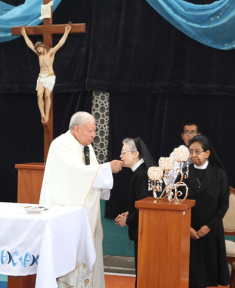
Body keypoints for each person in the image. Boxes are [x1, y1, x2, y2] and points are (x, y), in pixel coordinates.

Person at [39, 111, 124, 288]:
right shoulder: (60, 145)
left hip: (84, 213)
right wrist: (106, 167)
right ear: (77, 129)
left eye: (95, 131)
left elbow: (90, 176)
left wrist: (103, 170)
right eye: (90, 131)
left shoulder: (86, 147)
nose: (94, 135)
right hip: (66, 214)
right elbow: (76, 174)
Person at [185, 135, 230, 288]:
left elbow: (223, 204)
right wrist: (186, 227)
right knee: (189, 276)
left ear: (207, 153)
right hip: (188, 231)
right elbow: (178, 203)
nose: (193, 155)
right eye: (190, 151)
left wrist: (208, 226)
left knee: (208, 277)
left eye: (197, 151)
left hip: (211, 231)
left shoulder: (219, 174)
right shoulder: (184, 174)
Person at [114, 137, 155, 287]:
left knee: (144, 270)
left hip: (145, 230)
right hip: (143, 229)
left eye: (123, 152)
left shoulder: (141, 175)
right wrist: (128, 212)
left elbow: (146, 208)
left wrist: (128, 220)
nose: (120, 156)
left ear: (135, 154)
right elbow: (140, 204)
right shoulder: (141, 173)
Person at [20, 23, 72, 130]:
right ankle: (42, 115)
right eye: (37, 50)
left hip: (50, 76)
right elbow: (30, 44)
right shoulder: (39, 54)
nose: (38, 51)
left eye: (39, 49)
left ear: (42, 47)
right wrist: (24, 34)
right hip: (41, 77)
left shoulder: (51, 52)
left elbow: (60, 43)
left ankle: (47, 115)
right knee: (39, 95)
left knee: (47, 96)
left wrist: (66, 31)